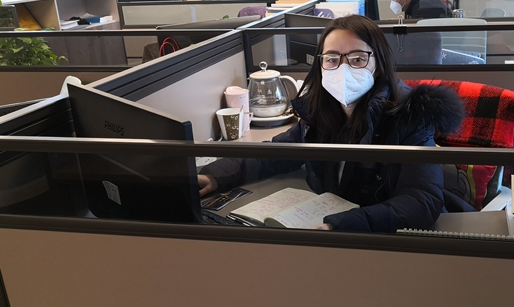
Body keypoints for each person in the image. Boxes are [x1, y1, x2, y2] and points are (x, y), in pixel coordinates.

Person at [198, 15, 464, 233]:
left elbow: (421, 201)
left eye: (357, 59)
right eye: (332, 59)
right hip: (330, 226)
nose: (343, 69)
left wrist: (342, 225)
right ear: (321, 64)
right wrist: (215, 175)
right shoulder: (321, 113)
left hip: (384, 241)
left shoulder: (410, 117)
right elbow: (275, 154)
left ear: (379, 63)